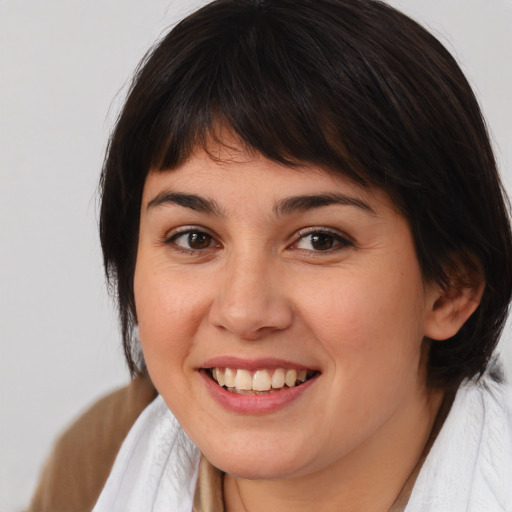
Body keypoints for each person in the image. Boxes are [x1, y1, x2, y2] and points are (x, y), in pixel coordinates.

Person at [27, 0, 512, 511]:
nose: (244, 312)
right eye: (194, 238)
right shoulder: (99, 458)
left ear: (450, 288)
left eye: (319, 240)